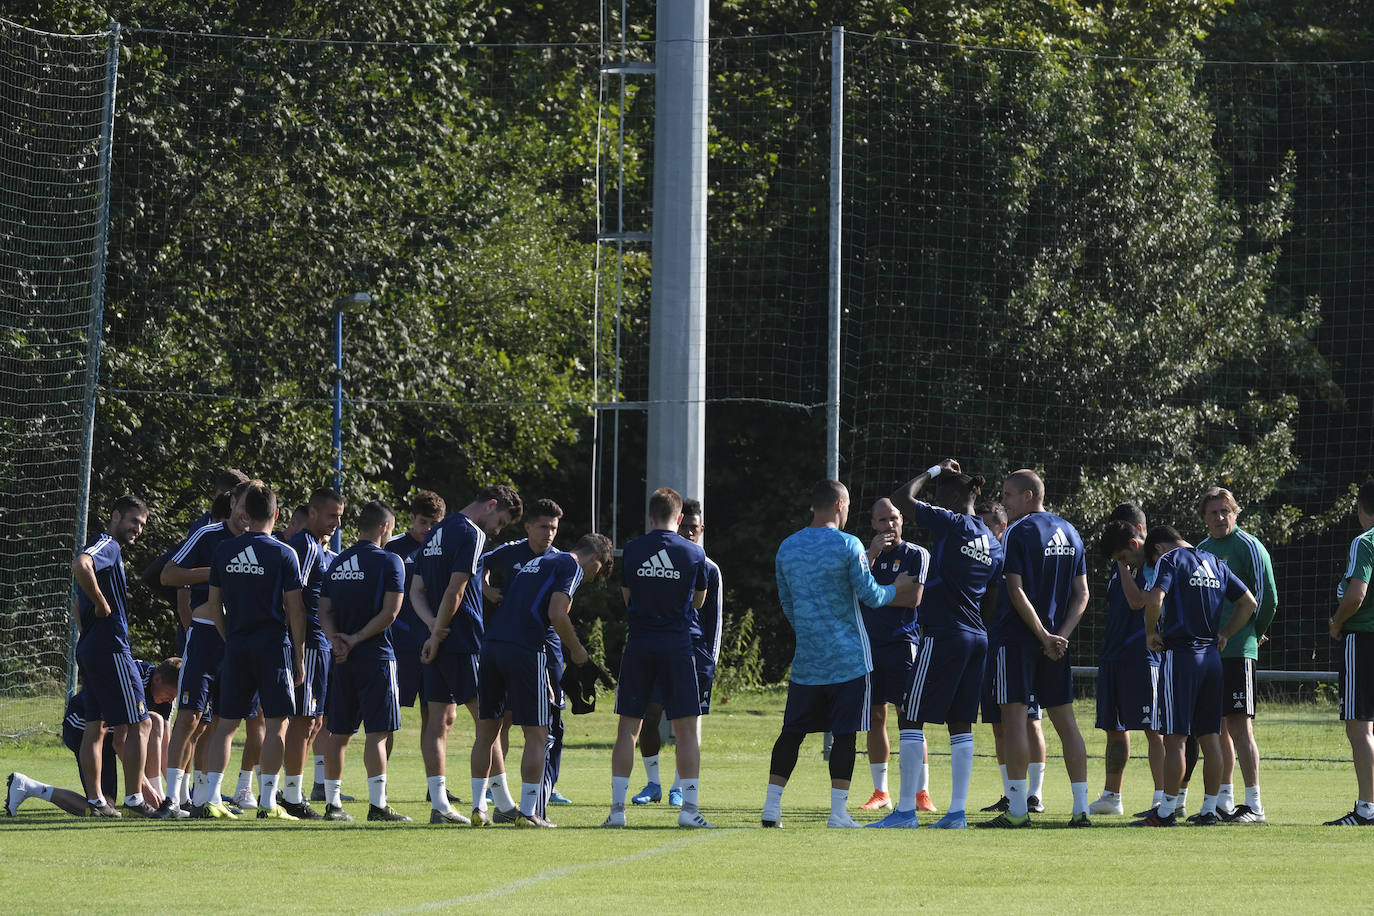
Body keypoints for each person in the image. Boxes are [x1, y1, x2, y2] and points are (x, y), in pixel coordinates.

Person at [762, 479, 920, 829]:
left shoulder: (787, 547)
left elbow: (787, 604)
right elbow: (872, 597)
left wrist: (809, 631)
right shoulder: (849, 545)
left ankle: (771, 807)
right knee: (846, 734)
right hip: (850, 659)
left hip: (807, 660)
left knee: (792, 732)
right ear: (839, 505)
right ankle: (838, 813)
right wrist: (899, 586)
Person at [867, 461, 1001, 829]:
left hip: (944, 633)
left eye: (941, 493)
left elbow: (901, 498)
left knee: (910, 715)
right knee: (961, 722)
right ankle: (956, 813)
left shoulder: (953, 522)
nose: (935, 498)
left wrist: (934, 470)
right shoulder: (992, 542)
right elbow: (991, 599)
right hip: (977, 638)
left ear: (955, 495)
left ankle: (906, 813)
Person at [474, 533, 615, 827]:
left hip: (491, 646)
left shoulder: (537, 561)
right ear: (595, 560)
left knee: (486, 733)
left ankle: (479, 809)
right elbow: (556, 614)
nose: (590, 578)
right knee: (537, 735)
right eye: (596, 572)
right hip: (525, 650)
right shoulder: (572, 566)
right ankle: (528, 813)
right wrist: (578, 653)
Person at [980, 469, 1091, 828]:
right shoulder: (1071, 531)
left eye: (1008, 495)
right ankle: (1081, 810)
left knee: (1014, 721)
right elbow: (1083, 593)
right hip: (1056, 643)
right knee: (1066, 723)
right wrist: (1061, 636)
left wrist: (1043, 636)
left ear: (1029, 496)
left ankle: (1015, 812)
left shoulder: (1017, 531)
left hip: (1017, 640)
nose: (1004, 502)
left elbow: (1014, 589)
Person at [412, 484, 523, 825]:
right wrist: (441, 628)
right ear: (491, 506)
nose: (497, 530)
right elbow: (456, 588)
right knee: (487, 721)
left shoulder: (434, 533)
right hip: (463, 641)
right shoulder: (471, 534)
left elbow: (416, 589)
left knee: (438, 722)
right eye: (501, 521)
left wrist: (432, 629)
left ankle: (441, 805)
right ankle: (502, 804)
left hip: (436, 640)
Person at [199, 480, 308, 820]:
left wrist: (228, 634)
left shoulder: (225, 550)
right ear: (276, 514)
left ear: (245, 513)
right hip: (272, 646)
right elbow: (296, 610)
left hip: (237, 645)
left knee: (226, 725)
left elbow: (213, 604)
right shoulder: (283, 552)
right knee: (277, 724)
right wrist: (300, 656)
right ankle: (267, 802)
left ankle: (212, 798)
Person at [606, 487, 714, 829]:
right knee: (685, 731)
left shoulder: (634, 550)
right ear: (680, 518)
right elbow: (698, 602)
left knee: (628, 728)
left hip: (639, 644)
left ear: (650, 516)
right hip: (678, 646)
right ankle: (689, 810)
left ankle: (617, 812)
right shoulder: (693, 553)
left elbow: (627, 596)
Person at [1135, 526, 1257, 827]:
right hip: (1212, 659)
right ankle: (1209, 810)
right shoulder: (1216, 562)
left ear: (1159, 549)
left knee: (1175, 737)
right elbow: (1249, 602)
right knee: (1210, 737)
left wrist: (1151, 633)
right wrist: (1225, 633)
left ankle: (1166, 812)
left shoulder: (1170, 560)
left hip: (1182, 656)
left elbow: (1154, 600)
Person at [71, 495, 165, 818]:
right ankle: (135, 799)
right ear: (115, 516)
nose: (137, 529)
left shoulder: (110, 551)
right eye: (133, 521)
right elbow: (80, 564)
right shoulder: (107, 545)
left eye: (141, 525)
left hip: (92, 647)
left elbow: (74, 604)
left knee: (95, 726)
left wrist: (88, 629)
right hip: (110, 648)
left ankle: (97, 801)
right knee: (141, 721)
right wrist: (100, 603)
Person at [317, 500, 411, 821]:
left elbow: (323, 611)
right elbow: (391, 612)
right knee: (379, 732)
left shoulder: (337, 561)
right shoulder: (390, 561)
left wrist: (336, 641)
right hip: (376, 656)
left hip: (342, 659)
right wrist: (355, 639)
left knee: (338, 732)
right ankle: (378, 806)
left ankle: (333, 805)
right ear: (385, 527)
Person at [630, 498, 723, 809]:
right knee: (650, 715)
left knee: (686, 723)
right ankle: (653, 782)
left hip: (694, 654)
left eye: (692, 529)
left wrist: (711, 661)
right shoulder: (656, 558)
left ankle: (678, 788)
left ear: (701, 529)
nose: (686, 533)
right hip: (660, 648)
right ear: (676, 522)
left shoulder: (707, 567)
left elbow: (714, 618)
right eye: (682, 527)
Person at [483, 498, 574, 810]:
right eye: (543, 527)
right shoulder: (510, 553)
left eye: (554, 528)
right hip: (511, 644)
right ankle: (496, 784)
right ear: (528, 527)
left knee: (552, 717)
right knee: (504, 718)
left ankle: (549, 782)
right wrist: (486, 589)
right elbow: (477, 564)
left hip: (546, 646)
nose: (549, 533)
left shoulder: (560, 560)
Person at [159, 489, 243, 817]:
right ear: (232, 505)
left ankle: (206, 799)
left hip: (237, 641)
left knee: (219, 722)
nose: (245, 515)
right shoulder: (209, 534)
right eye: (240, 506)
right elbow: (169, 574)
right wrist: (213, 572)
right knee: (190, 716)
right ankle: (172, 799)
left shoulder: (262, 544)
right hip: (206, 636)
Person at [7, 659, 180, 818]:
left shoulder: (164, 696)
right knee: (102, 808)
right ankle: (27, 786)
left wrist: (172, 798)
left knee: (155, 720)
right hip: (82, 726)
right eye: (170, 694)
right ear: (157, 679)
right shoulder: (135, 682)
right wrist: (144, 788)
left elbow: (164, 746)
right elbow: (120, 742)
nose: (171, 700)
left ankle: (155, 798)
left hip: (109, 733)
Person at [1196, 486, 1277, 824]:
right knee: (1216, 728)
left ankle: (1254, 805)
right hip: (1209, 653)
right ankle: (1224, 802)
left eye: (1225, 511)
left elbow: (1267, 598)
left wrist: (1252, 636)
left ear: (1235, 512)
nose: (1220, 517)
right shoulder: (1200, 550)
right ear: (1204, 518)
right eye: (1213, 512)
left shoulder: (1249, 546)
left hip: (1239, 648)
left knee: (1240, 726)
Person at [855, 497, 933, 814]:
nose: (890, 525)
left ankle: (921, 792)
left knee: (909, 717)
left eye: (895, 518)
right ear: (873, 524)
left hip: (903, 644)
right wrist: (873, 562)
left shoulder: (916, 554)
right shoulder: (862, 555)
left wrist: (875, 594)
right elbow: (855, 593)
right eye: (883, 520)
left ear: (903, 520)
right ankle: (881, 792)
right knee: (875, 717)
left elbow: (913, 598)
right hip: (869, 646)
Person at [1091, 506, 1166, 817]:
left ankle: (1162, 798)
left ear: (1136, 529)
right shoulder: (1120, 565)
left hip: (1143, 657)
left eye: (1121, 555)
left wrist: (1123, 566)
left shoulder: (1156, 564)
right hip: (1114, 656)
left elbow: (1139, 602)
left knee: (1154, 729)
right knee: (1113, 728)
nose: (1118, 560)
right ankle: (1111, 796)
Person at [976, 500, 1049, 815]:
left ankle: (1034, 794)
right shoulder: (981, 561)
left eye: (987, 525)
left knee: (1030, 721)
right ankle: (1010, 793)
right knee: (998, 724)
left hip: (1020, 648)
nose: (981, 531)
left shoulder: (1016, 554)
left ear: (1001, 527)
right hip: (991, 649)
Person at [286, 488, 345, 817]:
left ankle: (292, 790)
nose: (336, 522)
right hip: (307, 645)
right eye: (330, 515)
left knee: (314, 721)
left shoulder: (322, 549)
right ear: (312, 513)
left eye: (339, 516)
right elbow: (290, 599)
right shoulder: (305, 546)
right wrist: (298, 648)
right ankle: (291, 796)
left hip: (320, 646)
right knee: (302, 720)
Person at [1324, 481, 1374, 826]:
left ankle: (1366, 809)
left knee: (1359, 727)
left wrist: (1336, 623)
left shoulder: (1364, 541)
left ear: (1360, 509)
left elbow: (1356, 595)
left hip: (1364, 639)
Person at [384, 490, 445, 769]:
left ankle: (436, 787)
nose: (428, 529)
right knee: (386, 719)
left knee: (436, 717)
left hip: (435, 643)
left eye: (434, 524)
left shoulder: (446, 549)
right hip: (399, 646)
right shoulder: (393, 548)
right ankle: (379, 790)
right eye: (423, 522)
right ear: (411, 518)